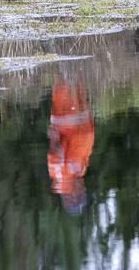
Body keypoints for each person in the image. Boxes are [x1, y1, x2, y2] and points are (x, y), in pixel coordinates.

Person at [47, 77, 95, 214]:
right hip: (80, 118)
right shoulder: (79, 173)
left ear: (71, 196)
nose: (84, 188)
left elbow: (55, 151)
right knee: (78, 76)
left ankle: (60, 58)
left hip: (66, 118)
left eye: (81, 193)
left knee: (64, 79)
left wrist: (54, 138)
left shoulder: (59, 176)